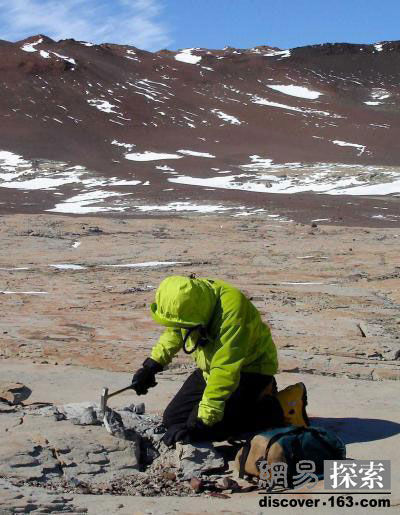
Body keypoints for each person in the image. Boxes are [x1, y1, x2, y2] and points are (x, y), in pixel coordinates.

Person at [131, 276, 307, 446]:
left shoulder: (232, 312)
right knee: (173, 420)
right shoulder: (192, 302)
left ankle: (280, 407)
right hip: (210, 369)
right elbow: (175, 330)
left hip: (250, 369)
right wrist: (153, 365)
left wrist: (203, 422)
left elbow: (225, 369)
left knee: (208, 428)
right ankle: (247, 403)